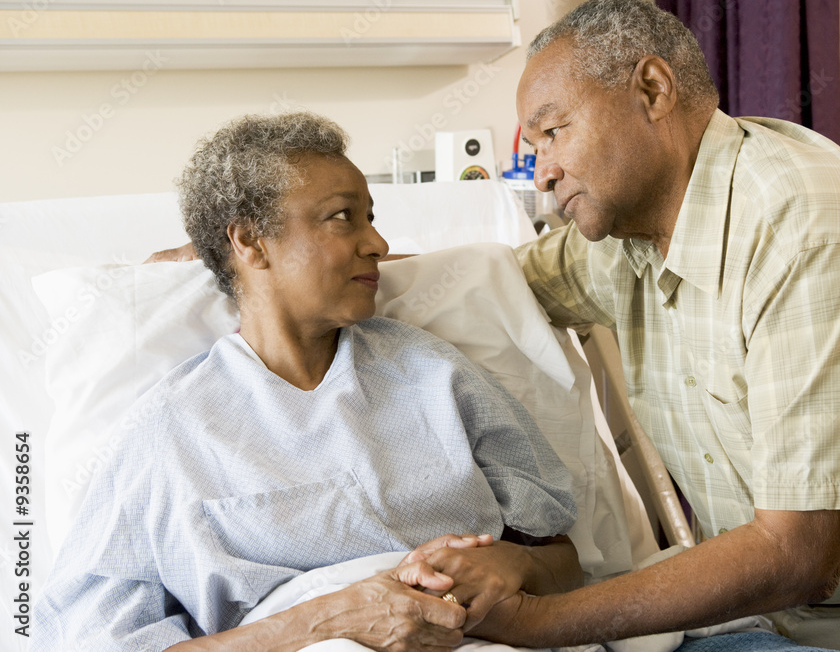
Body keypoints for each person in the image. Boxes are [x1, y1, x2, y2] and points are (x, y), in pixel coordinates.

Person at [459, 0, 840, 652]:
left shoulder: (807, 230)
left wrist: (540, 623)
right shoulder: (626, 234)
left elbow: (799, 554)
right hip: (769, 612)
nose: (542, 174)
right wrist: (341, 274)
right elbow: (485, 286)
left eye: (553, 132)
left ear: (652, 90)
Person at [33, 112, 583, 651]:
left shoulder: (433, 372)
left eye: (371, 217)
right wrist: (324, 621)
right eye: (343, 217)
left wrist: (514, 563)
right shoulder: (170, 431)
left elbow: (563, 561)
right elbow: (98, 636)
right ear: (251, 243)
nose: (378, 244)